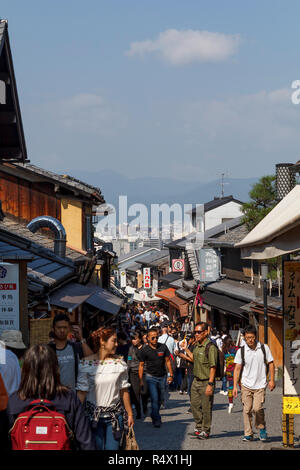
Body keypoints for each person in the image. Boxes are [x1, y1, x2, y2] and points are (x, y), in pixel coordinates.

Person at [6, 344, 96, 450]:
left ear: (26, 369)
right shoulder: (68, 397)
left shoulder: (15, 400)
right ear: (55, 368)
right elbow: (85, 440)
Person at [76, 327, 134, 450]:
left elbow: (124, 391)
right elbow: (81, 393)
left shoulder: (119, 364)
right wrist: (75, 417)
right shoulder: (86, 364)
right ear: (103, 341)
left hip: (115, 418)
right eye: (114, 341)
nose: (117, 344)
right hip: (92, 418)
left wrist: (130, 414)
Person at [233, 324, 275, 442]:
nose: (250, 340)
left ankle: (261, 428)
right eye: (247, 338)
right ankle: (248, 433)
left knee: (257, 408)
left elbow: (271, 363)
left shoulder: (263, 348)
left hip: (260, 384)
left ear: (255, 336)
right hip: (246, 384)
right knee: (247, 410)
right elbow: (237, 368)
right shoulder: (241, 351)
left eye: (252, 337)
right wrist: (235, 386)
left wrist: (271, 380)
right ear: (244, 338)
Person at [182, 322, 218, 439]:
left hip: (206, 381)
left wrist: (210, 384)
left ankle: (205, 430)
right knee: (194, 405)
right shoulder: (197, 346)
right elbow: (194, 358)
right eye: (195, 332)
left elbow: (213, 367)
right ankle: (198, 427)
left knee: (206, 407)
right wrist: (185, 349)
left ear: (205, 332)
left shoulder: (210, 347)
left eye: (198, 332)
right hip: (196, 381)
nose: (196, 334)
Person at [138, 328, 173, 428]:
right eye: (152, 337)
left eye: (156, 337)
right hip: (150, 377)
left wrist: (171, 374)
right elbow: (141, 365)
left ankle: (154, 414)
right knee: (154, 398)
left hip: (162, 376)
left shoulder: (163, 347)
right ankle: (157, 419)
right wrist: (140, 380)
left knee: (160, 399)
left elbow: (168, 361)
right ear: (148, 339)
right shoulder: (144, 350)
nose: (155, 339)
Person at [48, 314, 93, 391]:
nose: (62, 330)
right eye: (59, 327)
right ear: (53, 329)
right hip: (53, 397)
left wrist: (81, 338)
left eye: (65, 327)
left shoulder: (75, 347)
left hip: (73, 397)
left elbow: (92, 360)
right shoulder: (48, 350)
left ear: (69, 328)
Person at [127, 331, 148, 419]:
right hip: (133, 373)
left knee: (144, 392)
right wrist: (127, 372)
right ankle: (138, 412)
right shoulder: (131, 349)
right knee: (135, 394)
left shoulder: (145, 348)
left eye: (135, 339)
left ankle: (145, 407)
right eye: (132, 339)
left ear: (139, 339)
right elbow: (129, 359)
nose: (133, 341)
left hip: (144, 372)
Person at [222, 336, 238, 413]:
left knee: (230, 387)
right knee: (242, 386)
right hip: (237, 370)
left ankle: (230, 403)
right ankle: (245, 402)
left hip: (229, 371)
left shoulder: (224, 350)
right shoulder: (236, 349)